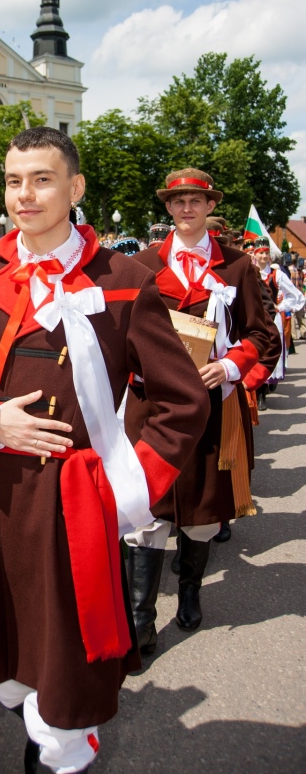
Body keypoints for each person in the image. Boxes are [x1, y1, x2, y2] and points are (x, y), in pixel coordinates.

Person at [0, 128, 209, 774]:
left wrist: (123, 490)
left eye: (41, 180)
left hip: (75, 510)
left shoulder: (127, 279)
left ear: (73, 189)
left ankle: (58, 755)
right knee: (14, 649)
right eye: (14, 181)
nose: (25, 195)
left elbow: (182, 403)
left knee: (67, 669)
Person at [124, 168, 270, 657]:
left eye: (197, 201)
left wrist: (229, 366)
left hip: (211, 408)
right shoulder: (141, 266)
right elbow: (117, 338)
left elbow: (262, 334)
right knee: (146, 510)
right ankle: (142, 619)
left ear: (210, 207)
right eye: (178, 201)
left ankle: (189, 589)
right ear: (168, 208)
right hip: (151, 408)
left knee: (201, 513)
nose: (187, 209)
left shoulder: (238, 266)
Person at [254, 237, 305, 388]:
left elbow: (296, 295)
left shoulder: (277, 275)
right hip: (254, 317)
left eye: (266, 253)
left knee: (271, 349)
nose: (264, 256)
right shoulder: (249, 271)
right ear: (255, 254)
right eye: (260, 252)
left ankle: (268, 383)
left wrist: (280, 306)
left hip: (271, 317)